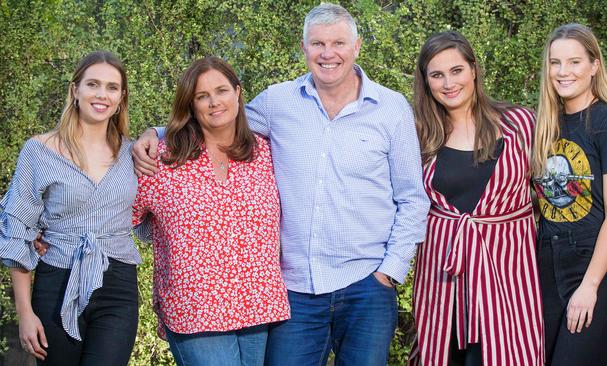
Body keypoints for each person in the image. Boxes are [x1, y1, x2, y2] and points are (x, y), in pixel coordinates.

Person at [132, 3, 429, 365]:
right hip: (295, 291)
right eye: (318, 43)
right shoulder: (278, 102)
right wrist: (158, 134)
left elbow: (413, 199)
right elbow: (219, 120)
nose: (328, 53)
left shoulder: (391, 108)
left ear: (357, 46)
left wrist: (390, 271)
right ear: (304, 49)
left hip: (367, 283)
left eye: (338, 42)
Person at [131, 56, 290, 366]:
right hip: (195, 311)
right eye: (202, 96)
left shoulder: (265, 152)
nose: (214, 102)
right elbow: (115, 217)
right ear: (191, 105)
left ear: (238, 92)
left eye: (221, 91)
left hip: (260, 306)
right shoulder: (162, 158)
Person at [408, 31, 545, 366]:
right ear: (426, 83)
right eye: (437, 75)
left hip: (509, 273)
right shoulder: (418, 135)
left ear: (473, 70)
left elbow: (556, 186)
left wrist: (605, 220)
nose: (448, 83)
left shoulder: (520, 124)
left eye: (456, 70)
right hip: (442, 277)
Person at [0, 51, 140, 365]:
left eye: (112, 87)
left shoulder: (134, 153)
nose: (102, 94)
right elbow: (18, 231)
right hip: (56, 280)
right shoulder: (39, 151)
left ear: (121, 97)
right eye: (93, 84)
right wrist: (24, 312)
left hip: (117, 284)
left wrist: (154, 134)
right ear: (75, 90)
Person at [531, 23, 607, 365]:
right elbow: (541, 199)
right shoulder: (544, 126)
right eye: (555, 63)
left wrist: (590, 286)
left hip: (598, 270)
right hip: (547, 264)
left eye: (575, 62)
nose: (563, 72)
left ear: (594, 66)